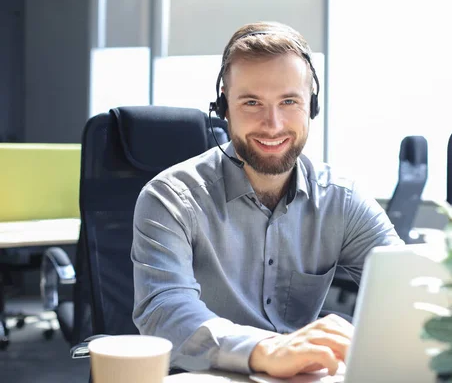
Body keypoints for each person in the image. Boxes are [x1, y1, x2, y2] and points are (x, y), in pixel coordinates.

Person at [131, 21, 402, 378]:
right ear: (224, 107)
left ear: (311, 106)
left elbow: (404, 287)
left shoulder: (343, 201)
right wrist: (266, 350)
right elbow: (164, 311)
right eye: (252, 102)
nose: (272, 124)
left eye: (289, 101)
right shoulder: (170, 198)